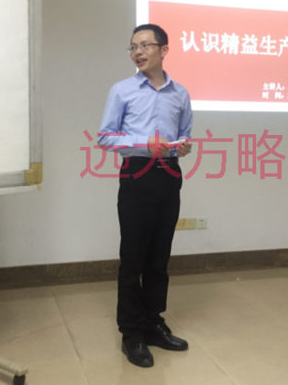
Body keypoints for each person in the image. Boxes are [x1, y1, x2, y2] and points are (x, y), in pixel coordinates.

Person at [97, 24, 193, 368]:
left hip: (169, 174)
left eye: (145, 45)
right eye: (133, 47)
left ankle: (154, 323)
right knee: (133, 258)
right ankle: (132, 333)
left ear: (163, 50)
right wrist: (143, 143)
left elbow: (184, 134)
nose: (137, 52)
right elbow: (105, 137)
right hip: (137, 174)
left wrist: (182, 147)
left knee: (159, 256)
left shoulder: (180, 93)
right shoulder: (122, 90)